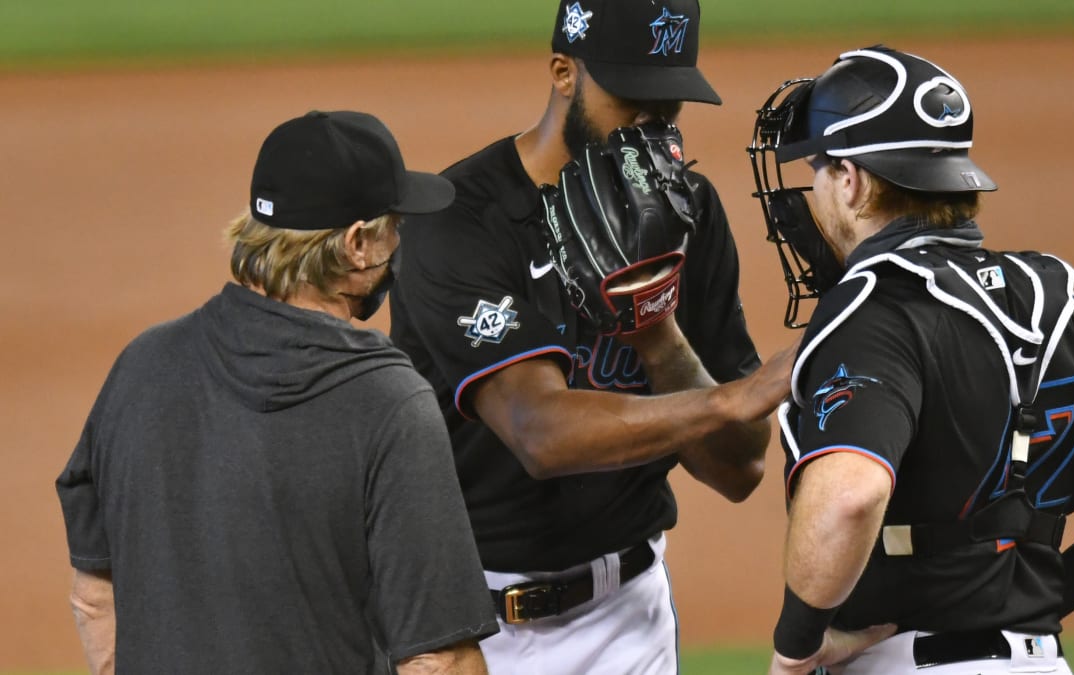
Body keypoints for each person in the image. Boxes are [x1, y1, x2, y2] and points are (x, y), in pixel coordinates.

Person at [746, 45, 1074, 674]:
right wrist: (1049, 597)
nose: (812, 190)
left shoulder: (873, 313)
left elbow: (850, 495)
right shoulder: (1062, 308)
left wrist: (795, 647)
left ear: (850, 180)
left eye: (819, 168)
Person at [388, 0, 794, 672]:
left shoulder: (688, 215)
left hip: (628, 622)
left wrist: (659, 336)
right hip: (474, 632)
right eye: (630, 100)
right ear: (563, 72)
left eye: (666, 111)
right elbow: (539, 433)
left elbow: (738, 467)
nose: (647, 127)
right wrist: (727, 399)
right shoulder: (458, 221)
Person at [55, 110, 498, 675]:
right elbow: (440, 659)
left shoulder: (141, 365)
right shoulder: (387, 402)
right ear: (357, 245)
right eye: (393, 225)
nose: (399, 240)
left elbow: (94, 596)